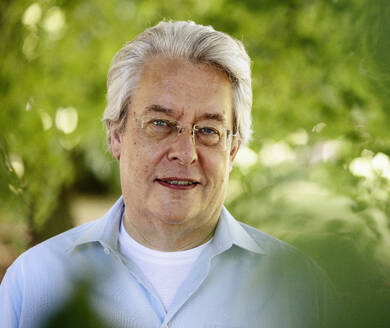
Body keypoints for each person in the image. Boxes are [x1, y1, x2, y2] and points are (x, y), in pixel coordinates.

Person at [0, 20, 333, 327]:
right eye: (160, 124)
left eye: (208, 130)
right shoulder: (34, 282)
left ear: (232, 149)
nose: (185, 153)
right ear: (116, 135)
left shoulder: (301, 288)